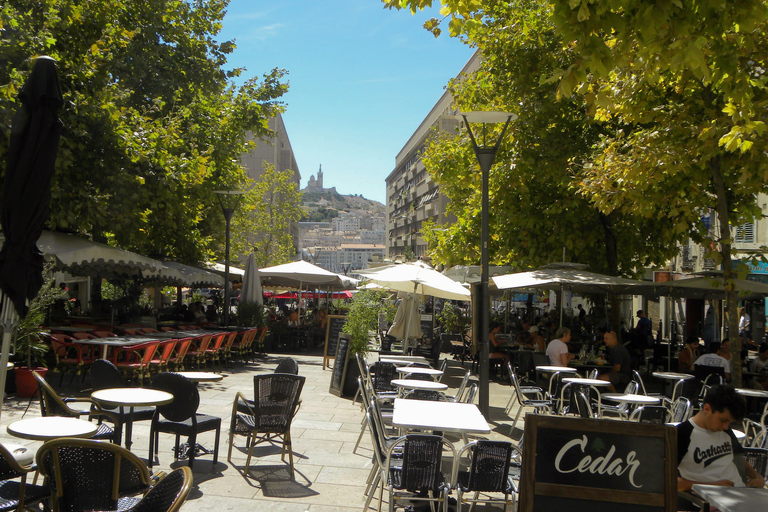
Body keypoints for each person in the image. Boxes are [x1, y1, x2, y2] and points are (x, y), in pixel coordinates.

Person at [677, 384, 765, 493]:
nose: (726, 426)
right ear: (707, 409)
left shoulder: (724, 430)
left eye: (730, 422)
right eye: (723, 420)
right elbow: (668, 481)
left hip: (742, 493)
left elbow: (738, 458)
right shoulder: (682, 434)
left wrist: (757, 477)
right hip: (712, 500)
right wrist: (711, 486)